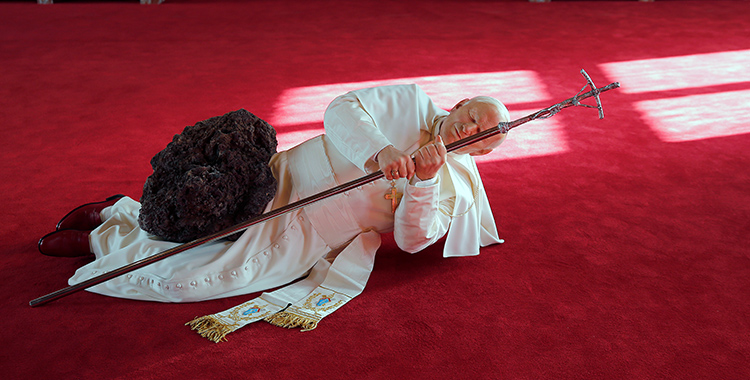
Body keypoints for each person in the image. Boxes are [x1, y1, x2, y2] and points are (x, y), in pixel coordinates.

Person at [37, 84, 510, 337]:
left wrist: (425, 182)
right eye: (473, 117)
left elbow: (412, 240)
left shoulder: (457, 188)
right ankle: (113, 217)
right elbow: (341, 110)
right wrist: (382, 152)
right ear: (461, 103)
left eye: (481, 136)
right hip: (281, 179)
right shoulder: (410, 100)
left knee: (189, 279)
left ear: (483, 153)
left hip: (309, 234)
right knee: (197, 217)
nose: (469, 130)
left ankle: (103, 235)